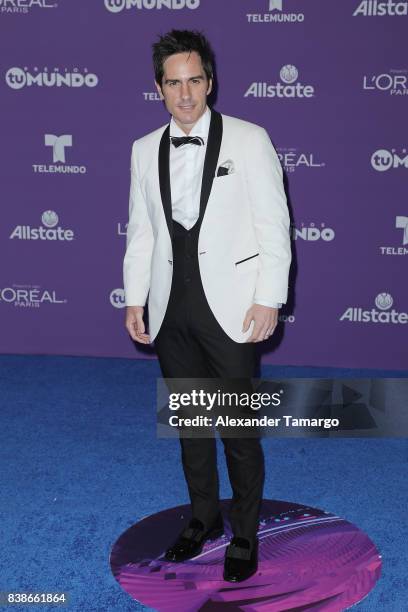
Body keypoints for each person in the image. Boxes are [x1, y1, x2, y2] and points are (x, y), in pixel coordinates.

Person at [123, 29, 291, 582]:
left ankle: (244, 531)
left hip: (232, 304)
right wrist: (135, 297)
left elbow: (274, 224)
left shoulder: (249, 138)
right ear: (159, 88)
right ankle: (202, 518)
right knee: (192, 424)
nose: (186, 93)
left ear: (210, 82)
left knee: (237, 427)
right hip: (172, 307)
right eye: (174, 83)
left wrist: (269, 298)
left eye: (195, 80)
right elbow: (141, 234)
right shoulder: (144, 149)